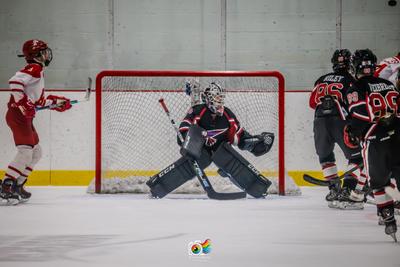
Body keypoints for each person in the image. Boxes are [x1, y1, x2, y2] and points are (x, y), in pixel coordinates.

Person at [147, 82, 275, 199]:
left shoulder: (228, 115)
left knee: (227, 156)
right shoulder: (198, 111)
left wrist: (255, 143)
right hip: (200, 151)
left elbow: (240, 137)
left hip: (221, 151)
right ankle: (158, 186)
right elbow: (184, 128)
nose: (220, 101)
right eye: (217, 97)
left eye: (221, 98)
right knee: (198, 160)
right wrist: (187, 143)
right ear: (209, 98)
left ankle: (258, 187)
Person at [0, 39, 72, 204]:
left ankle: (17, 185)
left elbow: (36, 102)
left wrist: (56, 102)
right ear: (37, 55)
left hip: (24, 117)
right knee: (26, 151)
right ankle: (6, 187)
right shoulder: (35, 68)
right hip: (18, 116)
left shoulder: (38, 71)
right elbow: (14, 82)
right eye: (44, 52)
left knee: (36, 152)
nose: (47, 55)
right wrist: (23, 103)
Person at [345, 49, 399, 241]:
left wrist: (352, 131)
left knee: (377, 183)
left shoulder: (355, 87)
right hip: (398, 135)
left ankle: (388, 218)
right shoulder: (388, 84)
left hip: (375, 139)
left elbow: (360, 115)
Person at [309, 49, 366, 209]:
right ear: (349, 64)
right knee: (357, 158)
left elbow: (312, 102)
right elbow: (353, 103)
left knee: (325, 156)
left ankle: (334, 189)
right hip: (341, 120)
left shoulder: (321, 79)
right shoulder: (351, 79)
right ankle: (347, 190)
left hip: (319, 121)